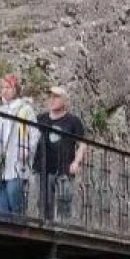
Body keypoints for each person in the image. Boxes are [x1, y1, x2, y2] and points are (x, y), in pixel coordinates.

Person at [0, 74, 38, 219]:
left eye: (8, 87)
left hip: (17, 166)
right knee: (0, 210)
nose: (4, 90)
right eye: (2, 87)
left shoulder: (25, 110)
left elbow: (34, 134)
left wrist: (26, 149)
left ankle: (19, 237)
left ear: (15, 89)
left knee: (16, 207)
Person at [32, 86, 86, 221]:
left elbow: (82, 144)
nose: (52, 100)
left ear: (64, 101)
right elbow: (30, 138)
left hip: (63, 168)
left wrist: (77, 162)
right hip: (42, 168)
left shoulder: (73, 121)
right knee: (44, 205)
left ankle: (62, 234)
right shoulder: (40, 118)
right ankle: (45, 233)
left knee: (64, 204)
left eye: (56, 97)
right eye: (50, 96)